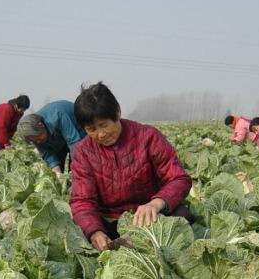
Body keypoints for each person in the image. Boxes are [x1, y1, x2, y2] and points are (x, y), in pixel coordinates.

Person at [70, 82, 193, 252]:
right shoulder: (83, 151)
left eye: (104, 125)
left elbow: (179, 178)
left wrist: (156, 203)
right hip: (110, 223)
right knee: (77, 229)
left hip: (149, 219)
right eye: (91, 129)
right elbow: (82, 201)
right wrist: (95, 232)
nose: (100, 134)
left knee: (182, 215)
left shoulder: (148, 137)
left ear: (118, 112)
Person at [17, 100, 85, 174]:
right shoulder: (34, 133)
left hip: (79, 130)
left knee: (83, 163)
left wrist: (79, 168)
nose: (38, 142)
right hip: (59, 140)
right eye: (35, 141)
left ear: (41, 125)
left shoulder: (57, 116)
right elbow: (47, 154)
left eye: (38, 139)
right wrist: (57, 172)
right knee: (64, 170)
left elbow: (74, 142)